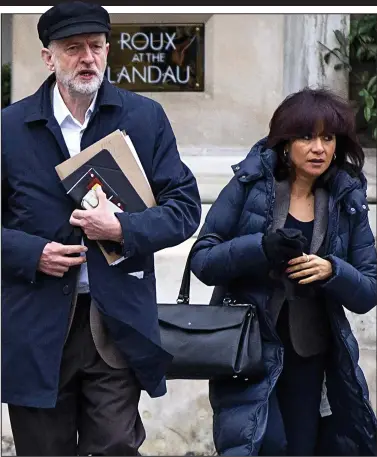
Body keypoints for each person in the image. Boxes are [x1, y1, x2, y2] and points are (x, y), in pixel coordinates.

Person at [1, 2, 201, 456]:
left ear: (109, 49)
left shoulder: (144, 118)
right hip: (36, 325)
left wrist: (124, 229)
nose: (87, 58)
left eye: (96, 46)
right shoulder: (9, 128)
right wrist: (31, 254)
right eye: (73, 48)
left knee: (114, 447)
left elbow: (185, 208)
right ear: (48, 58)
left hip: (115, 323)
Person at [190, 87, 377, 456]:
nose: (318, 148)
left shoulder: (346, 197)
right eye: (306, 137)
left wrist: (332, 270)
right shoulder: (249, 184)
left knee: (302, 446)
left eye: (327, 138)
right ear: (284, 142)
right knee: (265, 445)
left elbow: (369, 289)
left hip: (310, 352)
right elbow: (203, 258)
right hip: (248, 346)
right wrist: (260, 247)